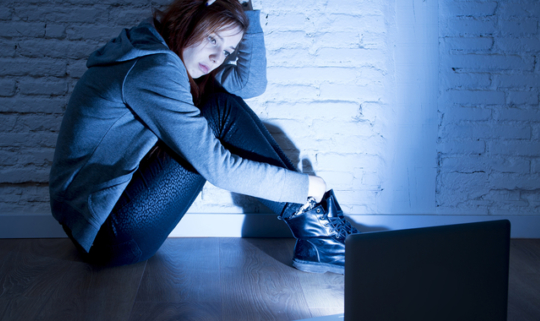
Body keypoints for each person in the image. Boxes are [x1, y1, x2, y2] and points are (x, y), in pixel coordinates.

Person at [49, 0, 357, 274]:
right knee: (220, 110)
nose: (216, 56)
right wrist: (305, 187)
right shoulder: (154, 68)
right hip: (108, 237)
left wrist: (247, 16)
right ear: (190, 19)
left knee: (223, 103)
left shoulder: (164, 54)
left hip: (102, 225)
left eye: (227, 51)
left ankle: (319, 230)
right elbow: (218, 169)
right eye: (212, 39)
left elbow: (248, 85)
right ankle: (318, 228)